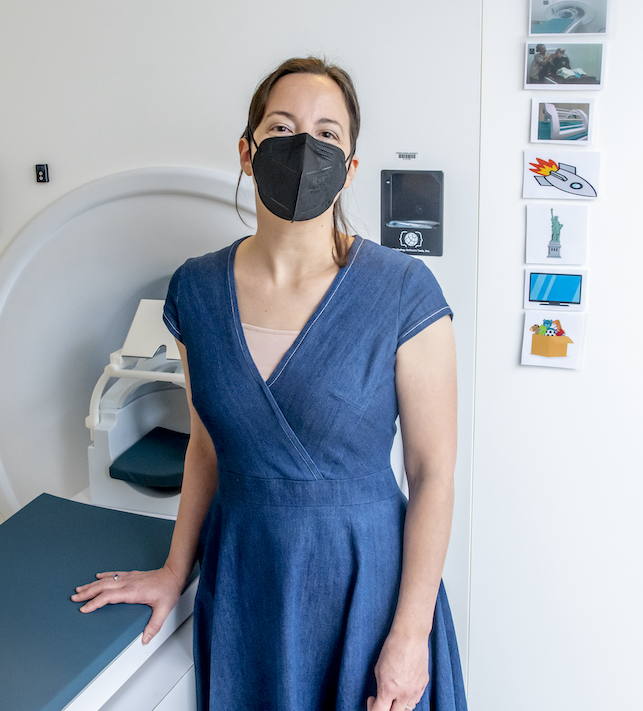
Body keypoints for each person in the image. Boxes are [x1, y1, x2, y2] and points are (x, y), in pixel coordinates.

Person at [72, 57, 467, 711]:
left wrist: (410, 634)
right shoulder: (196, 291)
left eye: (328, 134)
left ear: (351, 166)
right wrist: (176, 572)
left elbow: (434, 474)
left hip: (364, 588)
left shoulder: (403, 292)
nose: (304, 146)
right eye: (282, 127)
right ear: (248, 151)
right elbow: (207, 444)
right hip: (247, 581)